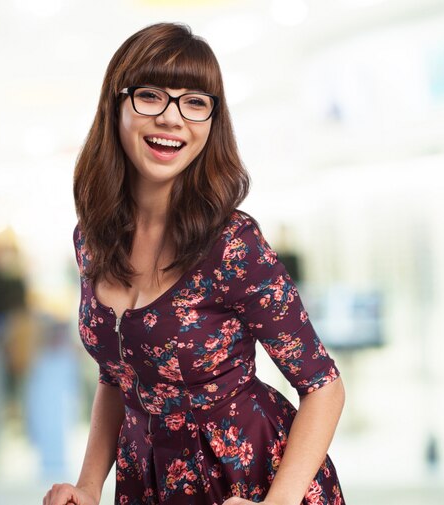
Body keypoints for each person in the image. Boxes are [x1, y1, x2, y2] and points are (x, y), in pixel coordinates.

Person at [44, 22, 345, 505]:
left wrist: (278, 503)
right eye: (151, 96)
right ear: (115, 105)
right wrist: (87, 485)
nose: (172, 118)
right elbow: (116, 378)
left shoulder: (232, 244)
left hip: (252, 483)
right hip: (148, 482)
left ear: (211, 121)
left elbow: (324, 386)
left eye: (195, 102)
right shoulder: (93, 240)